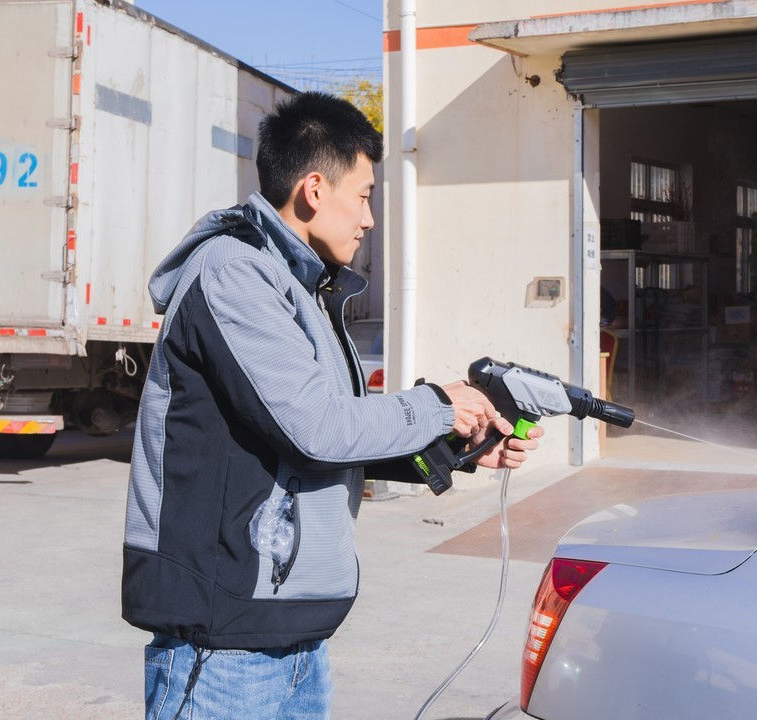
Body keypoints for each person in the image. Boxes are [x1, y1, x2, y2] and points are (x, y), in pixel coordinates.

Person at [121, 91, 542, 719]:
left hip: (293, 638)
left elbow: (317, 441)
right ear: (316, 188)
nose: (370, 218)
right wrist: (439, 404)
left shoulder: (300, 285)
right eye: (366, 194)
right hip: (224, 643)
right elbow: (315, 427)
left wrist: (454, 449)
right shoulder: (234, 274)